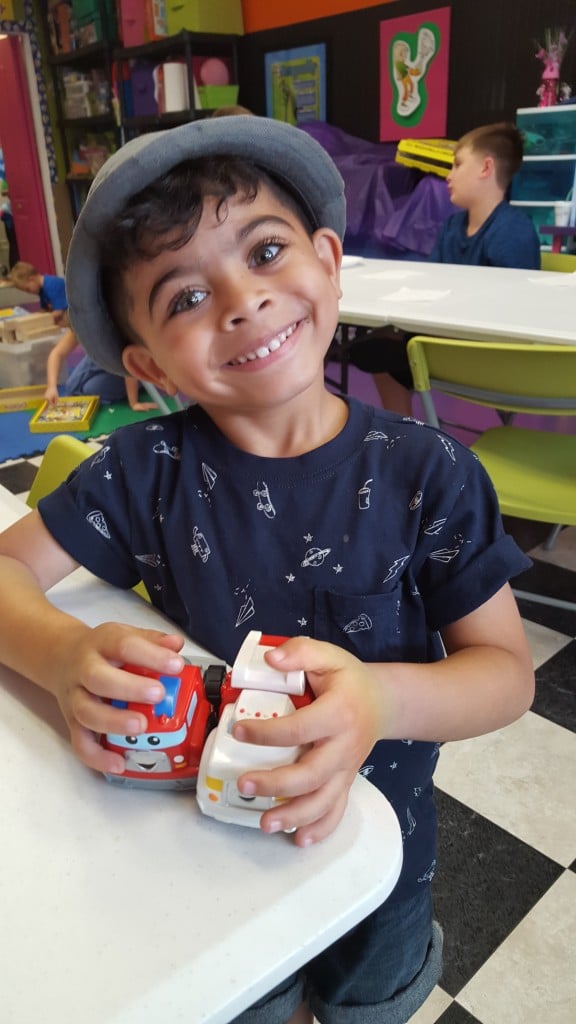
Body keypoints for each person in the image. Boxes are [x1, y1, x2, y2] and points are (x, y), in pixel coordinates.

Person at [0, 117, 534, 1024]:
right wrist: (59, 656)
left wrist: (379, 701)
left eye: (267, 249)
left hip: (380, 851)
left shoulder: (429, 474)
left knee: (373, 1003)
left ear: (329, 259)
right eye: (182, 298)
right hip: (209, 861)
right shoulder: (141, 473)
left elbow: (507, 674)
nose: (241, 301)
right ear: (146, 366)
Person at [348, 122, 542, 414]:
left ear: (485, 168)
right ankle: (404, 432)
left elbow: (515, 316)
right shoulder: (452, 226)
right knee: (371, 349)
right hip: (443, 343)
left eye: (458, 165)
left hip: (483, 355)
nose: (449, 176)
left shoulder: (513, 231)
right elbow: (434, 284)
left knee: (377, 350)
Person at [44, 328, 159, 411]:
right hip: (102, 357)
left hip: (131, 364)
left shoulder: (110, 325)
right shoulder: (79, 322)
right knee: (71, 387)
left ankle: (142, 383)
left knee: (90, 390)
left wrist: (134, 402)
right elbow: (57, 353)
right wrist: (51, 387)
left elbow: (129, 363)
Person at [8, 260, 68, 324]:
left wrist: (36, 320)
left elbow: (59, 312)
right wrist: (33, 316)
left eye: (28, 289)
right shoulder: (41, 290)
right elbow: (46, 310)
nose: (28, 292)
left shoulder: (52, 285)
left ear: (32, 279)